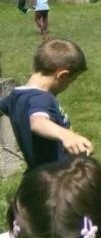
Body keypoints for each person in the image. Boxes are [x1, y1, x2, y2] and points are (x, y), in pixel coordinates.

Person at [0, 39, 92, 170]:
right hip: (58, 177)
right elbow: (38, 122)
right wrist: (66, 135)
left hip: (38, 174)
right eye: (72, 81)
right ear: (62, 75)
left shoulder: (15, 96)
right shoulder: (41, 99)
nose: (70, 85)